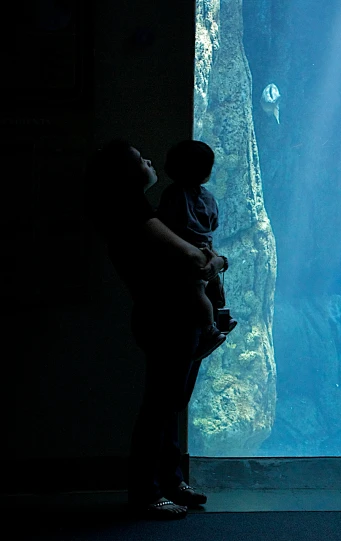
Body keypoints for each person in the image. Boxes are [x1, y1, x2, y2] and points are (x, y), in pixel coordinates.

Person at [86, 139, 228, 519]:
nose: (149, 160)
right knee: (160, 407)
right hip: (166, 320)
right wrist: (218, 262)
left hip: (173, 318)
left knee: (170, 405)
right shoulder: (133, 215)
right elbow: (193, 259)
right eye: (139, 159)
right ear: (124, 174)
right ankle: (147, 491)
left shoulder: (147, 212)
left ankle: (170, 480)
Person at [157, 140, 237, 356]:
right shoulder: (209, 198)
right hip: (208, 249)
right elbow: (213, 224)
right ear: (206, 174)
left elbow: (166, 223)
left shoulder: (172, 194)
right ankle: (223, 317)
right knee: (213, 286)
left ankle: (211, 330)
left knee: (196, 291)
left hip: (187, 253)